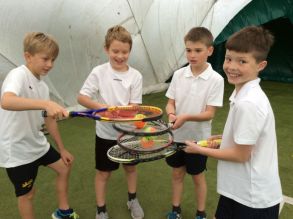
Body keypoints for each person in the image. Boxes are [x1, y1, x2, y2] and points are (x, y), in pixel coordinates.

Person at [184, 26, 283, 219]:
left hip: (252, 199)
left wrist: (200, 150)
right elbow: (249, 140)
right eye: (229, 58)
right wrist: (223, 138)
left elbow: (240, 155)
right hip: (239, 191)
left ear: (260, 66)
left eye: (242, 61)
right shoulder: (243, 93)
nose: (232, 66)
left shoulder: (248, 103)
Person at [0, 32, 79, 219]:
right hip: (17, 151)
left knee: (64, 167)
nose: (50, 64)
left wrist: (62, 149)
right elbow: (6, 101)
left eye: (53, 60)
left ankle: (63, 211)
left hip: (37, 143)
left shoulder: (42, 87)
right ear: (28, 56)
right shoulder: (17, 75)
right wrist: (46, 104)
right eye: (45, 59)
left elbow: (48, 119)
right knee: (27, 194)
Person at [77, 25, 144, 219]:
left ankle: (132, 199)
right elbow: (82, 97)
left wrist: (122, 115)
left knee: (130, 168)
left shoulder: (136, 76)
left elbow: (134, 107)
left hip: (129, 134)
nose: (120, 56)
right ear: (106, 49)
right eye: (115, 51)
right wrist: (104, 109)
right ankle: (101, 210)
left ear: (129, 51)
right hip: (105, 134)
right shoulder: (98, 72)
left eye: (125, 52)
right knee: (103, 174)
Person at [165, 27, 224, 219]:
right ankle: (176, 210)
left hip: (199, 141)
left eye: (198, 50)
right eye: (188, 50)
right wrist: (172, 113)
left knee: (198, 177)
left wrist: (185, 117)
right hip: (176, 137)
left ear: (210, 50)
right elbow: (170, 102)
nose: (192, 55)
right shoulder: (178, 75)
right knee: (177, 174)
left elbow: (209, 113)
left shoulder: (216, 80)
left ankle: (201, 213)